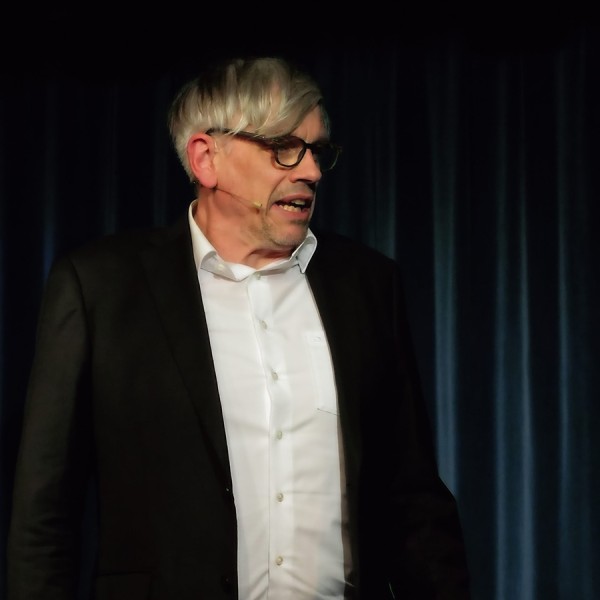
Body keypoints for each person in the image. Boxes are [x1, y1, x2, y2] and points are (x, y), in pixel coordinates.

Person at [7, 55, 471, 599]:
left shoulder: (368, 284)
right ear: (206, 159)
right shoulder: (100, 287)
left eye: (316, 151)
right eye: (284, 148)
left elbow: (413, 499)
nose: (311, 171)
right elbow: (45, 514)